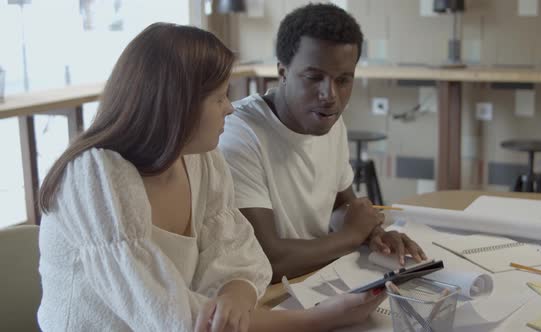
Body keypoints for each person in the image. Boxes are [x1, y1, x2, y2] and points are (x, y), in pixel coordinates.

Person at [36, 23, 386, 332]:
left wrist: (236, 291)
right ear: (177, 105)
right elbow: (172, 319)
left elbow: (241, 257)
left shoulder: (202, 161)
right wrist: (320, 319)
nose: (230, 108)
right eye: (220, 97)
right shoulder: (95, 178)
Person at [219, 3, 427, 283]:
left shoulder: (330, 122)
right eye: (314, 77)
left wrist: (376, 236)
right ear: (282, 72)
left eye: (343, 80)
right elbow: (266, 258)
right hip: (265, 297)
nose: (330, 95)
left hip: (317, 278)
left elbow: (346, 208)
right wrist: (353, 236)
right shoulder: (238, 135)